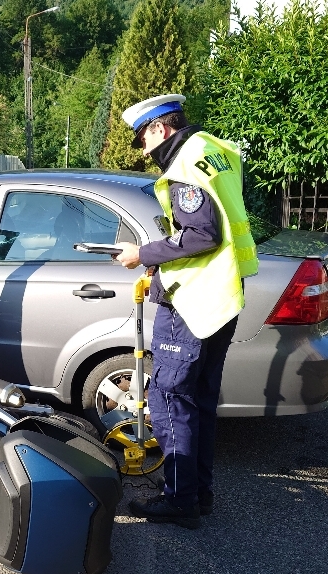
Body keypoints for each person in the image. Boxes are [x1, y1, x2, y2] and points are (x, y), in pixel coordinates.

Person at [113, 94, 259, 529]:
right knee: (199, 402)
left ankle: (180, 501)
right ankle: (198, 494)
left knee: (170, 397)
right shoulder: (215, 151)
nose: (143, 150)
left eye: (143, 137)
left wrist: (144, 253)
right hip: (223, 295)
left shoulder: (184, 165)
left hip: (195, 302)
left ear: (160, 127)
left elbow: (202, 234)